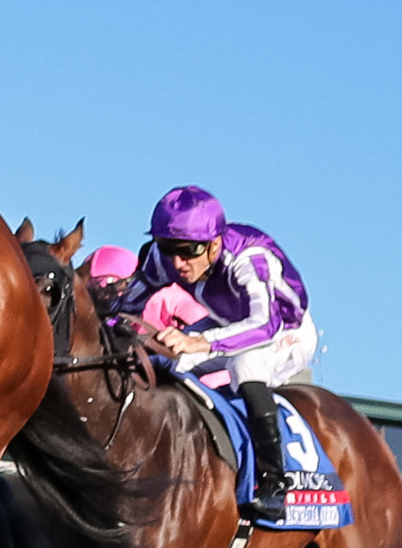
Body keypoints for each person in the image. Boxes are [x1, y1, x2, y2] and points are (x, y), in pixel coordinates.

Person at [116, 186, 316, 523]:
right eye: (166, 249)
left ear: (214, 244)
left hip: (285, 331)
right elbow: (125, 307)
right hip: (226, 322)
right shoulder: (164, 259)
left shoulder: (249, 259)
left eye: (188, 251)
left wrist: (202, 343)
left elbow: (265, 324)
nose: (178, 263)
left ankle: (274, 485)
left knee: (244, 365)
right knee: (158, 359)